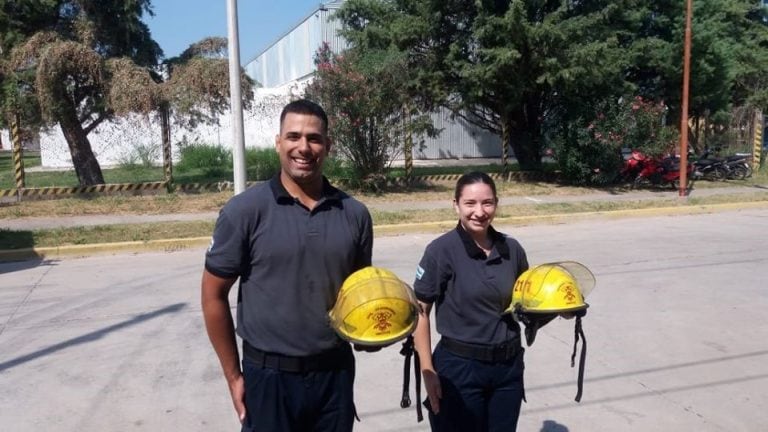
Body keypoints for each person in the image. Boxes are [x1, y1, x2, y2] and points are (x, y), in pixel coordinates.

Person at [201, 99, 373, 432]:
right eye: (293, 136)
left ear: (328, 145)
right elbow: (212, 296)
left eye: (314, 138)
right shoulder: (244, 212)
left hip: (333, 374)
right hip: (268, 377)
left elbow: (359, 295)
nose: (303, 147)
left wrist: (374, 330)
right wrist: (233, 376)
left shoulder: (355, 214)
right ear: (278, 142)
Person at [412, 171, 529, 432]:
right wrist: (428, 371)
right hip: (459, 368)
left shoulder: (512, 249)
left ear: (496, 204)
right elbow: (420, 312)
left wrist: (561, 308)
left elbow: (527, 302)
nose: (479, 211)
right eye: (470, 203)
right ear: (456, 205)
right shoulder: (440, 251)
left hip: (507, 368)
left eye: (487, 203)